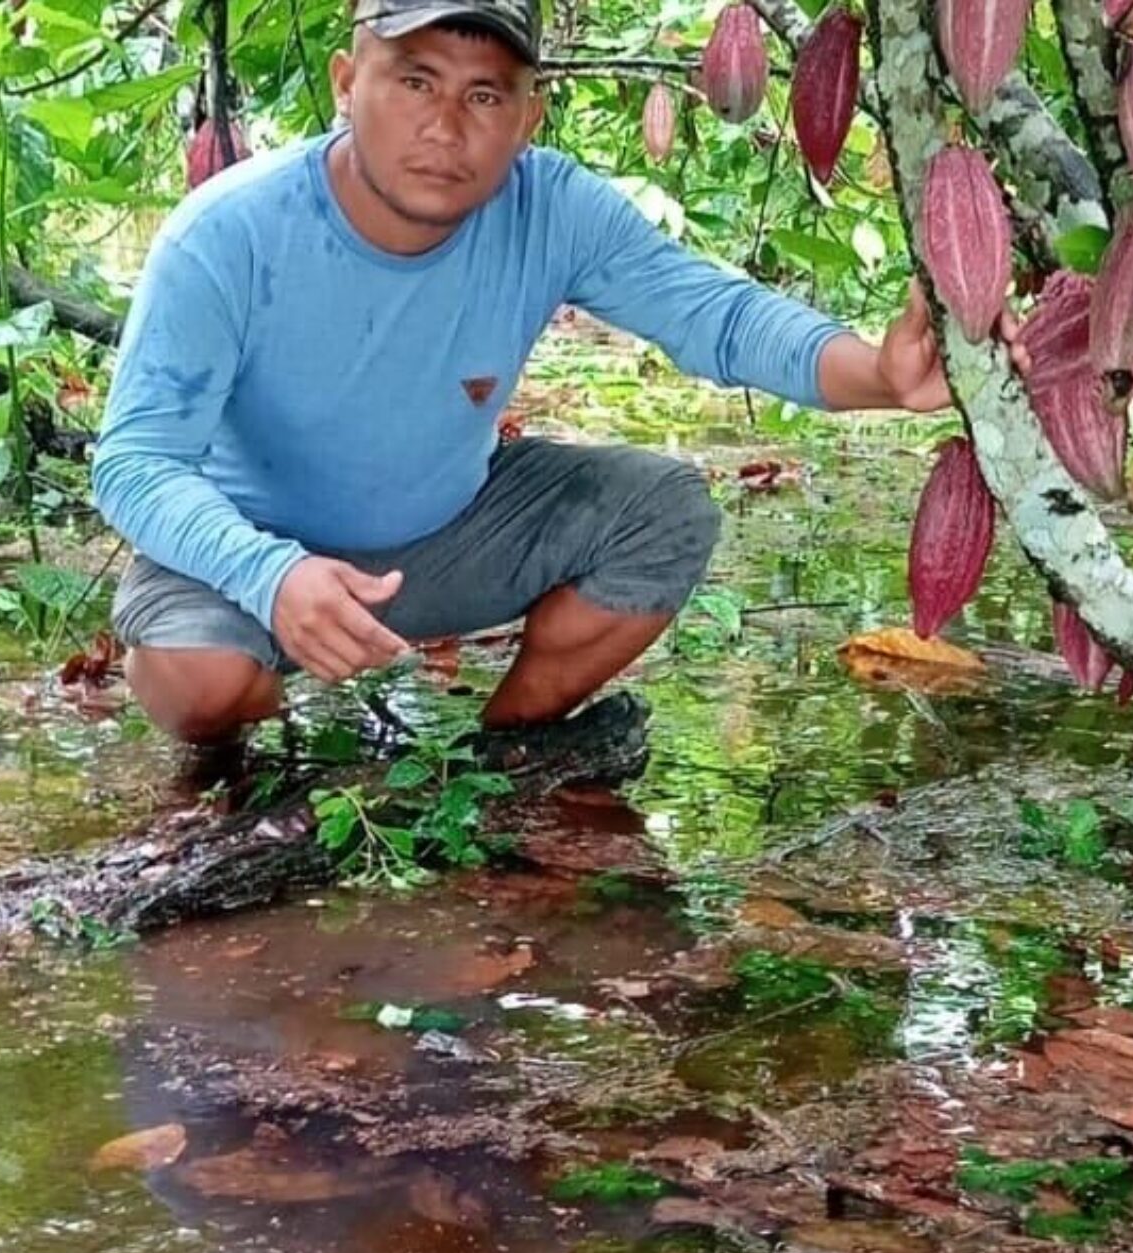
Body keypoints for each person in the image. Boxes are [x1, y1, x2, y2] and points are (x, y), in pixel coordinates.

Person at [92, 0, 955, 771]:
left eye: (484, 95)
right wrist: (271, 575)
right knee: (201, 685)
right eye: (416, 81)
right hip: (248, 549)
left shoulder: (549, 209)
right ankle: (255, 778)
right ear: (348, 82)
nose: (445, 126)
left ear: (527, 117)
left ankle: (493, 765)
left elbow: (717, 318)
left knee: (666, 512)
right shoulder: (231, 232)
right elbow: (134, 461)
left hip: (447, 534)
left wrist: (879, 373)